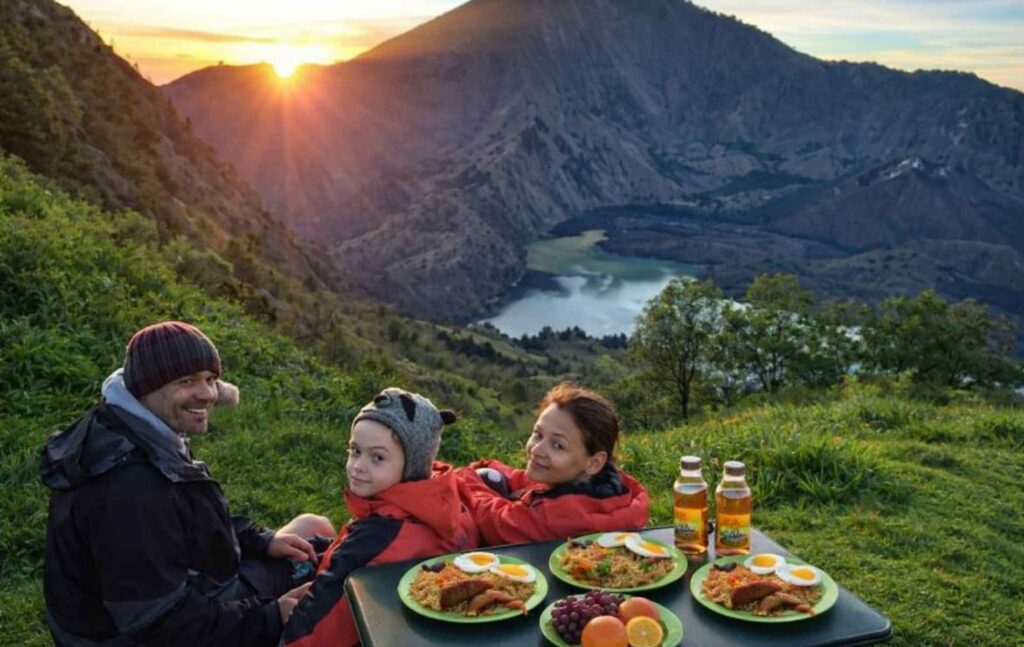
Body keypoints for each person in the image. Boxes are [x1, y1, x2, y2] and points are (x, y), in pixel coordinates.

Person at [41, 321, 334, 646]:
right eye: (186, 381)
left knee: (313, 528)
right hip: (143, 635)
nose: (208, 394)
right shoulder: (130, 489)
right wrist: (270, 616)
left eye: (210, 380)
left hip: (181, 598)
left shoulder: (135, 429)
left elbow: (184, 526)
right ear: (146, 387)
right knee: (332, 591)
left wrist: (261, 541)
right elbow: (161, 625)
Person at [283, 387, 479, 647]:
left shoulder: (376, 538)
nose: (358, 466)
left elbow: (319, 629)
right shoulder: (447, 501)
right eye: (355, 451)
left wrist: (281, 629)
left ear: (412, 465)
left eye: (377, 457)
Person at [456, 383, 649, 545]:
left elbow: (494, 521)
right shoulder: (612, 486)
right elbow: (532, 484)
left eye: (557, 445)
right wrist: (490, 467)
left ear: (594, 462)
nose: (536, 449)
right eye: (538, 434)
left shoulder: (557, 516)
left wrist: (465, 477)